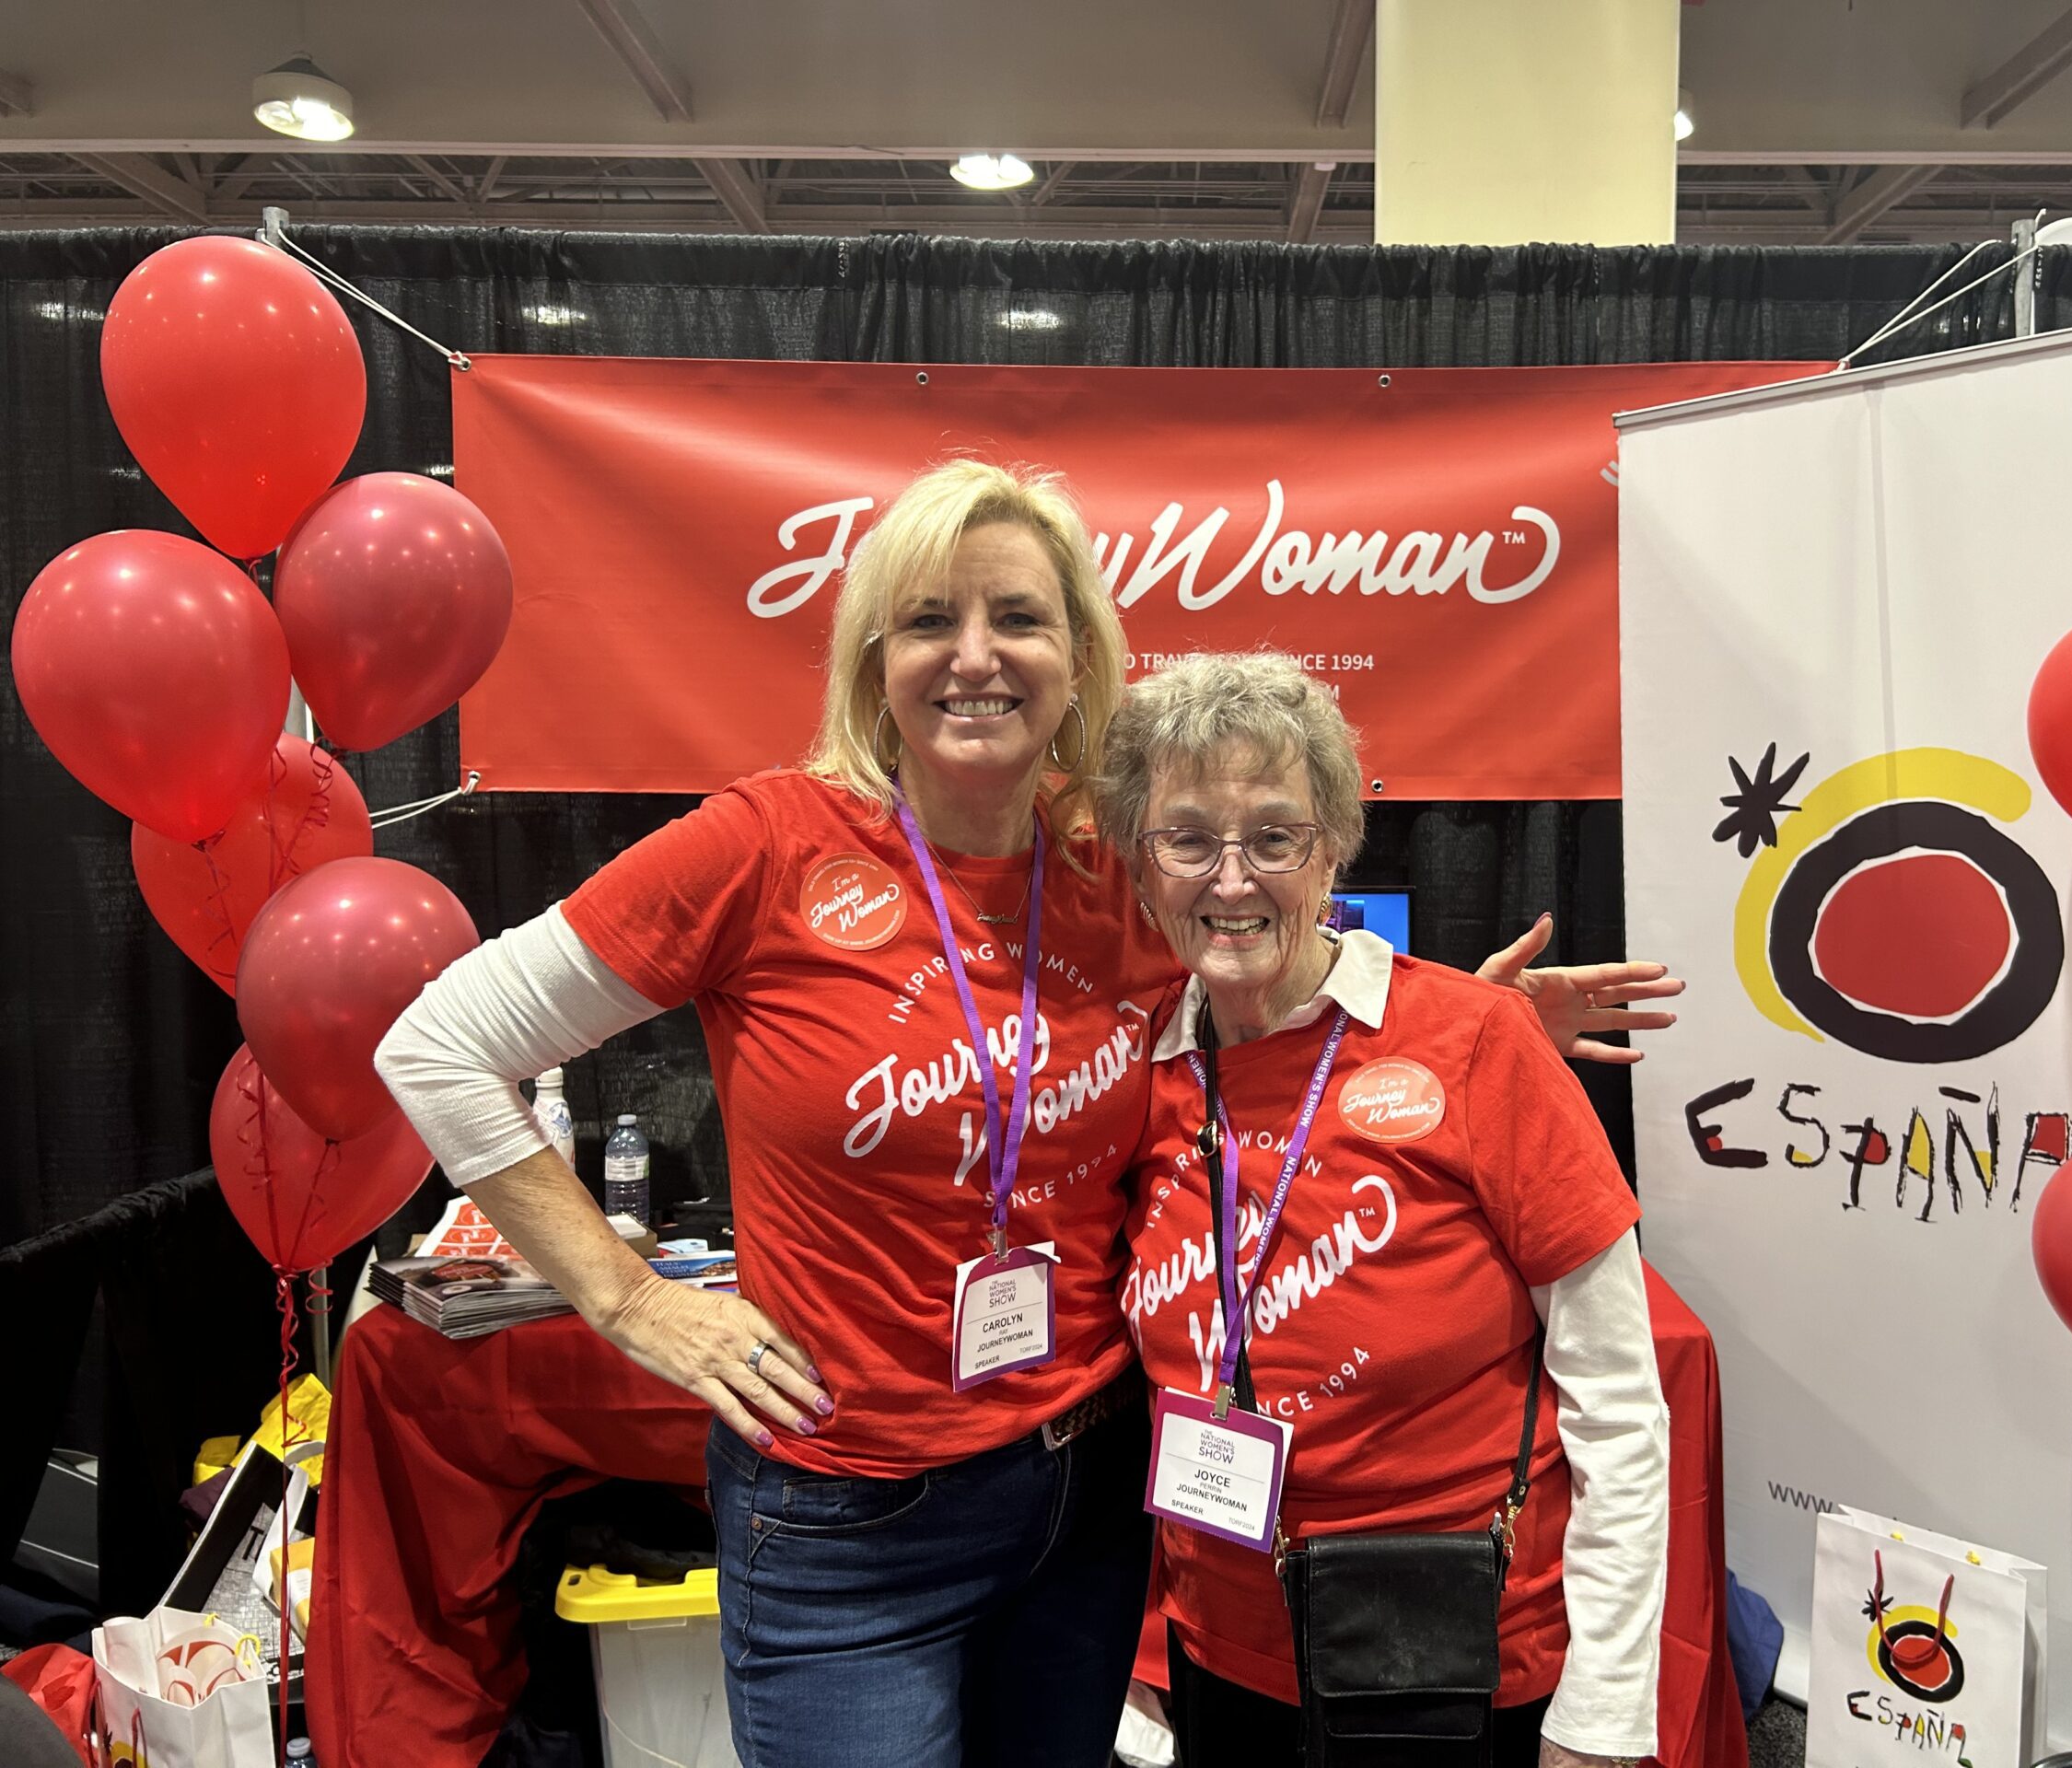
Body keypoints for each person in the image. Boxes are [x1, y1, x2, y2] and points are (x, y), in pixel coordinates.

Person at [373, 461, 1680, 1768]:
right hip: (847, 1520)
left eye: (1019, 619)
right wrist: (627, 1296)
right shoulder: (762, 850)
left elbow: (1255, 930)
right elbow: (436, 1048)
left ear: (1077, 658)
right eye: (932, 619)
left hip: (1085, 1495)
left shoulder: (1116, 860)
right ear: (873, 656)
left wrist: (1447, 1020)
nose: (976, 657)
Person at [1099, 651, 1670, 1768]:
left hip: (1450, 1651)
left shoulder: (1476, 1041)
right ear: (1139, 861)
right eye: (1187, 838)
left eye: (1274, 837)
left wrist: (1604, 1710)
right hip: (1222, 1649)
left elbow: (1617, 1396)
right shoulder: (1135, 1062)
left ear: (1332, 851)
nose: (1231, 880)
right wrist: (1148, 1658)